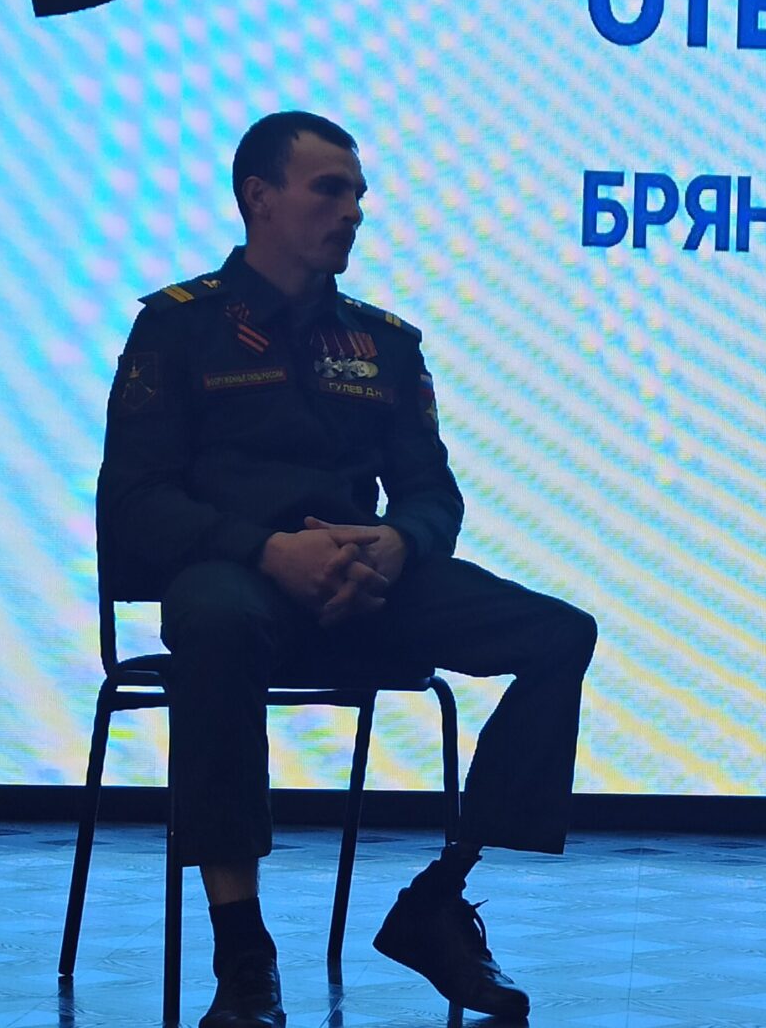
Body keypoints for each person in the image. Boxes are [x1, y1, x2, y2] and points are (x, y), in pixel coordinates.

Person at [96, 111, 597, 1027]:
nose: (354, 210)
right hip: (235, 578)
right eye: (330, 189)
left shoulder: (385, 343)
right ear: (258, 198)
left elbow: (432, 493)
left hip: (364, 588)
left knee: (560, 633)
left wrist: (399, 542)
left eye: (359, 193)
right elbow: (133, 505)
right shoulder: (178, 328)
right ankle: (243, 952)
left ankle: (440, 898)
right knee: (215, 619)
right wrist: (266, 550)